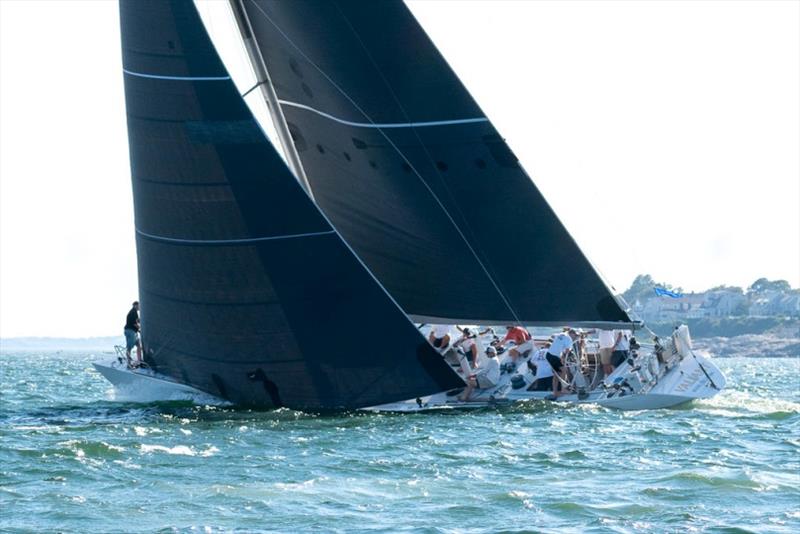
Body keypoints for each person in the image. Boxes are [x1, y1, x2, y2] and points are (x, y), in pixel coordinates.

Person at [545, 329, 579, 396]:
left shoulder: (561, 334)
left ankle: (555, 392)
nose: (575, 337)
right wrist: (565, 360)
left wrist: (562, 359)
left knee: (557, 374)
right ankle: (564, 389)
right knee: (564, 370)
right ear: (571, 333)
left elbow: (552, 336)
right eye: (575, 335)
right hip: (554, 356)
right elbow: (567, 352)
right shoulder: (569, 339)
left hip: (549, 355)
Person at [124, 300, 142, 367]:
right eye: (139, 306)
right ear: (135, 305)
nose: (140, 307)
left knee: (138, 345)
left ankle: (139, 360)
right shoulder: (133, 312)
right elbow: (134, 323)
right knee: (129, 347)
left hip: (133, 331)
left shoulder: (135, 313)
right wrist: (140, 330)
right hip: (130, 331)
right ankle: (128, 363)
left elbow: (138, 321)